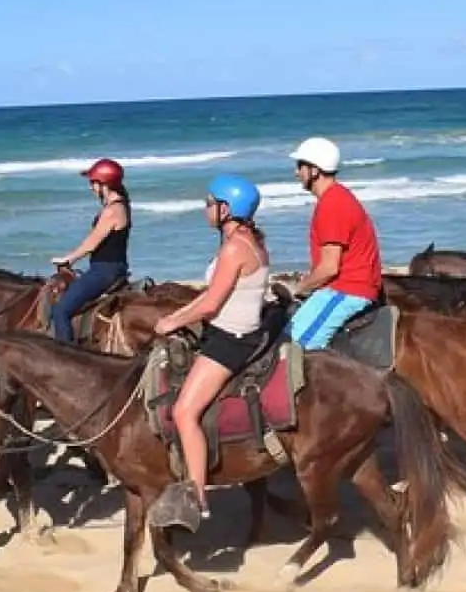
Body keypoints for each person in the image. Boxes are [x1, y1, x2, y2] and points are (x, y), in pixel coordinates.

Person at [154, 174, 269, 519]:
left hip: (231, 340)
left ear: (226, 209)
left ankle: (197, 497)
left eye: (209, 203)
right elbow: (210, 296)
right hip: (232, 331)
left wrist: (171, 323)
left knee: (184, 413)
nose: (205, 209)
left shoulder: (234, 248)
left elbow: (211, 305)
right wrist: (178, 313)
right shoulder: (247, 240)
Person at [287, 136, 383, 349]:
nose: (296, 172)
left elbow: (330, 267)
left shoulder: (332, 204)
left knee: (293, 347)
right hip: (342, 288)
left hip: (346, 290)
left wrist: (298, 288)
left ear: (314, 170)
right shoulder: (336, 198)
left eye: (300, 166)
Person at [49, 158, 131, 343]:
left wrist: (68, 259)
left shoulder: (112, 211)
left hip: (104, 271)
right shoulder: (120, 205)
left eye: (93, 182)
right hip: (109, 268)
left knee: (61, 311)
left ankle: (66, 354)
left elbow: (91, 243)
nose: (91, 187)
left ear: (105, 184)